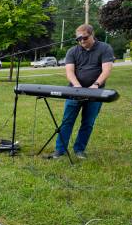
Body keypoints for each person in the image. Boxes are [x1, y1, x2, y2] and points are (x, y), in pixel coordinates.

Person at [48, 24, 115, 159]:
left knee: (88, 123)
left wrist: (96, 84)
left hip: (95, 93)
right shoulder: (72, 51)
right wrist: (77, 86)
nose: (82, 41)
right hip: (74, 91)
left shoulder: (105, 48)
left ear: (92, 35)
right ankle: (59, 150)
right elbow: (69, 71)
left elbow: (107, 69)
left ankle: (79, 149)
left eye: (85, 38)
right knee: (67, 121)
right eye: (79, 39)